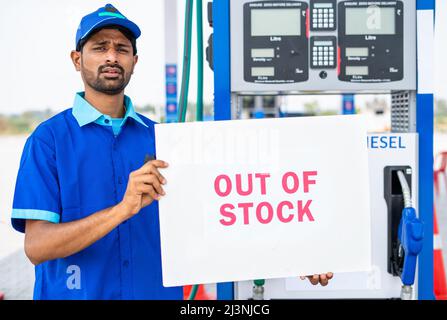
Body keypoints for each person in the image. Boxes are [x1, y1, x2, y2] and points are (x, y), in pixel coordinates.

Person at [11, 4, 333, 300]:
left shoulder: (165, 141)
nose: (112, 56)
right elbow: (37, 247)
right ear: (77, 59)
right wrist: (121, 210)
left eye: (122, 49)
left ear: (134, 62)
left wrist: (294, 256)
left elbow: (222, 221)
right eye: (99, 48)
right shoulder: (48, 141)